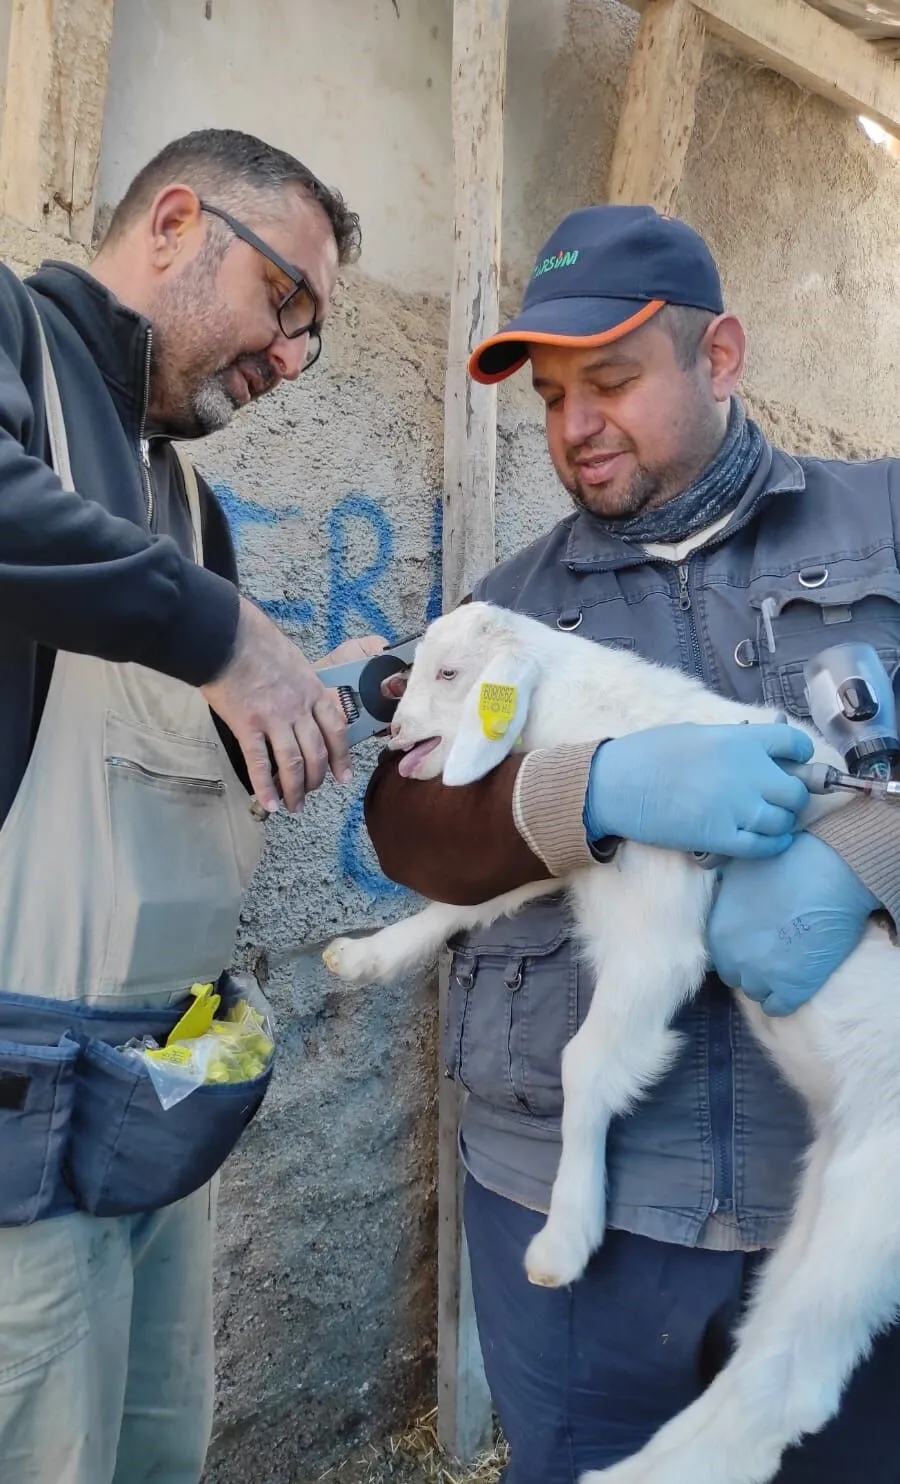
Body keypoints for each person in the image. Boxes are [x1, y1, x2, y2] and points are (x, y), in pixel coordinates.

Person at [364, 204, 900, 1482]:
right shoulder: (510, 604)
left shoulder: (884, 521)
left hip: (837, 1176)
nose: (575, 426)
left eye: (610, 380)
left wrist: (874, 851)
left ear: (719, 356)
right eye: (551, 396)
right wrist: (588, 789)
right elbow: (407, 833)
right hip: (574, 1209)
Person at [0, 127, 375, 1484]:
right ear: (173, 220)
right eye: (285, 303)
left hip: (156, 1108)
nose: (288, 359)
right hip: (19, 1144)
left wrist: (305, 695)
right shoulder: (12, 341)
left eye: (311, 341)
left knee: (155, 1448)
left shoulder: (191, 507)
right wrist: (225, 638)